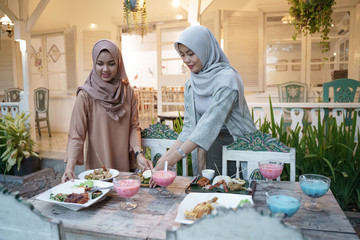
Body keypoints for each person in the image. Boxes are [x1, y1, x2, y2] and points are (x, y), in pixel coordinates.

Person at [151, 25, 256, 184]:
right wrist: (164, 161)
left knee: (236, 188)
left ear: (205, 49)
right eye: (182, 55)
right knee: (212, 188)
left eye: (191, 54)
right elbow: (190, 128)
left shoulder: (228, 79)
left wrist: (175, 157)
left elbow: (209, 123)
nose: (186, 60)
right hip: (209, 143)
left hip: (237, 143)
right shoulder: (191, 84)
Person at [62, 39, 152, 183]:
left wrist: (139, 154)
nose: (105, 69)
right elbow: (76, 135)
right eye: (100, 63)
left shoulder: (128, 93)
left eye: (111, 64)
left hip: (124, 169)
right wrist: (69, 168)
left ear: (119, 64)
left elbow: (133, 127)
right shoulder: (85, 95)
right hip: (98, 173)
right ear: (94, 64)